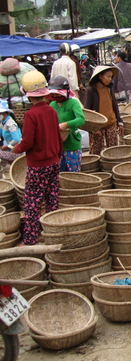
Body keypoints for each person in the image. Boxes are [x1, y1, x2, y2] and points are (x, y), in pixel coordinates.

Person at [12, 71, 62, 245]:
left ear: (28, 96)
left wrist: (15, 148)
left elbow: (26, 143)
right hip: (54, 161)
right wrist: (57, 156)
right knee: (52, 197)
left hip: (38, 165)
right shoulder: (51, 110)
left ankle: (31, 238)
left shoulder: (31, 115)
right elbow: (58, 136)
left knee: (33, 201)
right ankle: (52, 232)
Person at [48, 75, 85, 172]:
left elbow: (81, 119)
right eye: (53, 95)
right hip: (57, 146)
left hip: (72, 145)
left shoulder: (73, 103)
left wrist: (66, 125)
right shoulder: (52, 105)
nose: (56, 97)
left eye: (58, 95)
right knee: (59, 175)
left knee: (73, 175)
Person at [84, 65, 124, 155]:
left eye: (111, 77)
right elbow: (87, 111)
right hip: (98, 127)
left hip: (111, 123)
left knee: (113, 150)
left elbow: (115, 107)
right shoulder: (91, 90)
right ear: (100, 76)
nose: (110, 79)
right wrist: (93, 128)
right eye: (108, 76)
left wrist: (119, 122)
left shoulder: (109, 89)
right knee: (96, 151)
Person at [0, 100, 21, 168]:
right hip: (8, 150)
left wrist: (7, 146)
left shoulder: (10, 124)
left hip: (15, 151)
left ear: (3, 113)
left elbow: (16, 139)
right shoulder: (2, 123)